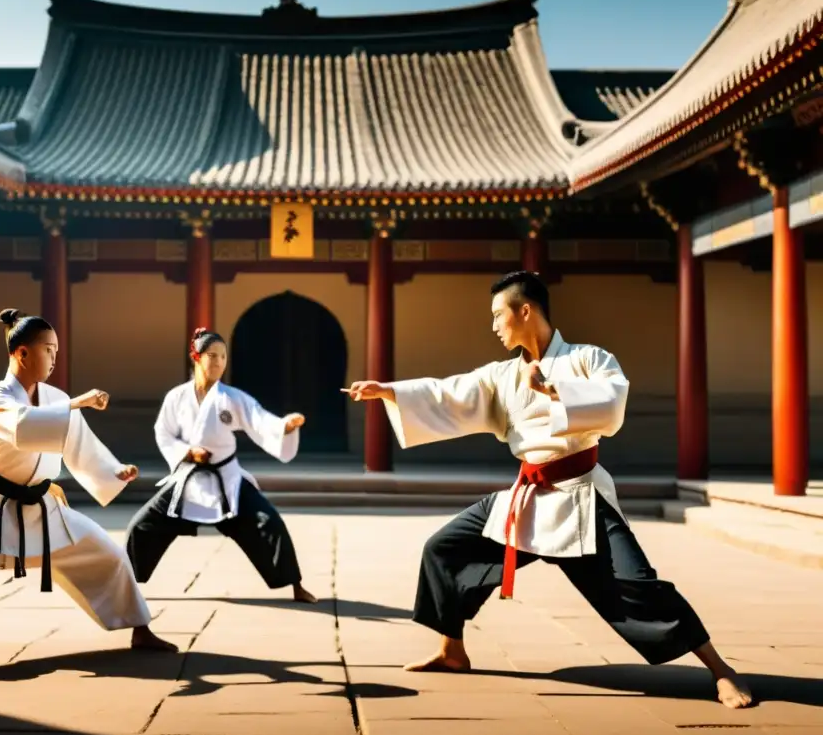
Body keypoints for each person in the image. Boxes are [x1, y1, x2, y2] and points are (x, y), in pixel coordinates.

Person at [342, 271, 753, 710]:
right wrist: (389, 392)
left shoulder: (588, 359)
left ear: (526, 310)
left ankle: (721, 670)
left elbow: (612, 406)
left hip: (581, 495)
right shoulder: (502, 375)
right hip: (527, 495)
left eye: (500, 315)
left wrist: (555, 390)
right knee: (444, 549)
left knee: (638, 585)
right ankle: (452, 650)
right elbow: (450, 392)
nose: (494, 326)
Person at [0, 309, 176, 674]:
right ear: (22, 353)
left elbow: (77, 442)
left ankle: (140, 630)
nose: (55, 358)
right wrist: (75, 404)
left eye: (56, 350)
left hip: (45, 509)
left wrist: (113, 470)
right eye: (48, 350)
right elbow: (23, 427)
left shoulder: (54, 397)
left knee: (111, 557)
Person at [124, 327, 317, 604]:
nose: (217, 362)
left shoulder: (232, 398)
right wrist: (187, 452)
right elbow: (163, 432)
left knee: (269, 522)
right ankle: (125, 584)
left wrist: (284, 426)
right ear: (196, 357)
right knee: (141, 526)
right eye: (211, 355)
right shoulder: (176, 397)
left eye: (223, 357)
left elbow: (259, 419)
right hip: (188, 479)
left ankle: (296, 585)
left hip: (227, 480)